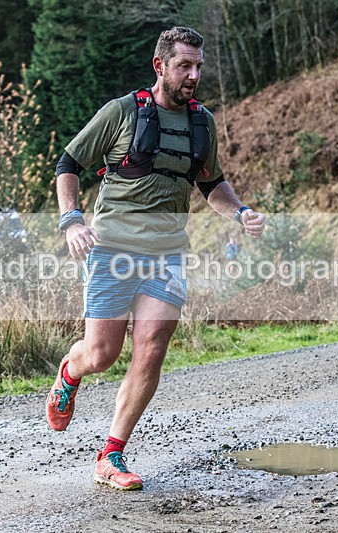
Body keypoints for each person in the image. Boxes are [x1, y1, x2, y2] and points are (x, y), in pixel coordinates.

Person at [46, 27, 266, 491]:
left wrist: (240, 211)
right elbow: (68, 165)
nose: (193, 75)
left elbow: (212, 183)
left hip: (167, 254)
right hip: (112, 250)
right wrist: (72, 220)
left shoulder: (202, 123)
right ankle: (71, 370)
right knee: (102, 355)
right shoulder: (121, 113)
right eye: (185, 66)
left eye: (199, 66)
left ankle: (112, 454)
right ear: (159, 66)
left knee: (151, 347)